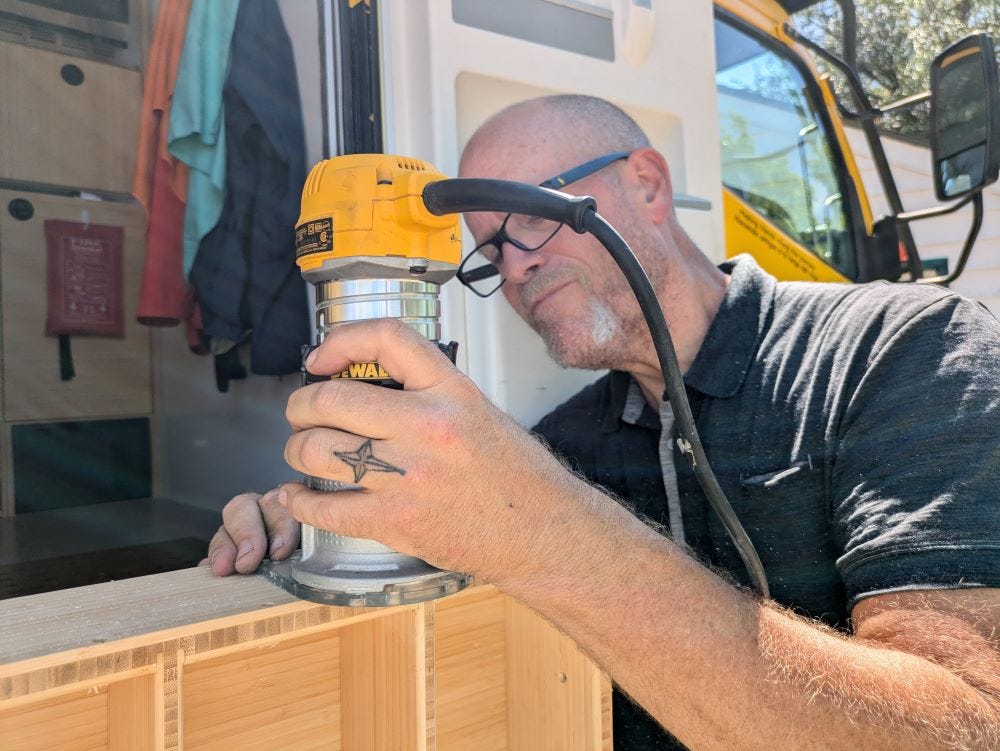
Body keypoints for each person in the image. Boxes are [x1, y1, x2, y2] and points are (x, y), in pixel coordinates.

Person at [205, 95, 1000, 750]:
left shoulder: (904, 349)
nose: (514, 268)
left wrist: (546, 528)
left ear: (648, 185)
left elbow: (961, 730)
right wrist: (336, 510)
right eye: (489, 252)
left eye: (531, 219)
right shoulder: (561, 445)